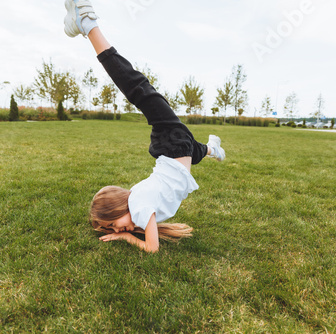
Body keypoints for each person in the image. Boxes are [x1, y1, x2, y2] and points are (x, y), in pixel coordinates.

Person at [64, 0, 225, 253]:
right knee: (196, 151)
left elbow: (152, 249)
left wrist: (125, 239)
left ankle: (88, 24)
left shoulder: (138, 204)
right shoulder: (139, 210)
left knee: (136, 88)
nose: (116, 230)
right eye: (112, 230)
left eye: (113, 225)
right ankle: (213, 149)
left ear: (119, 208)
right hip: (178, 149)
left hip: (171, 144)